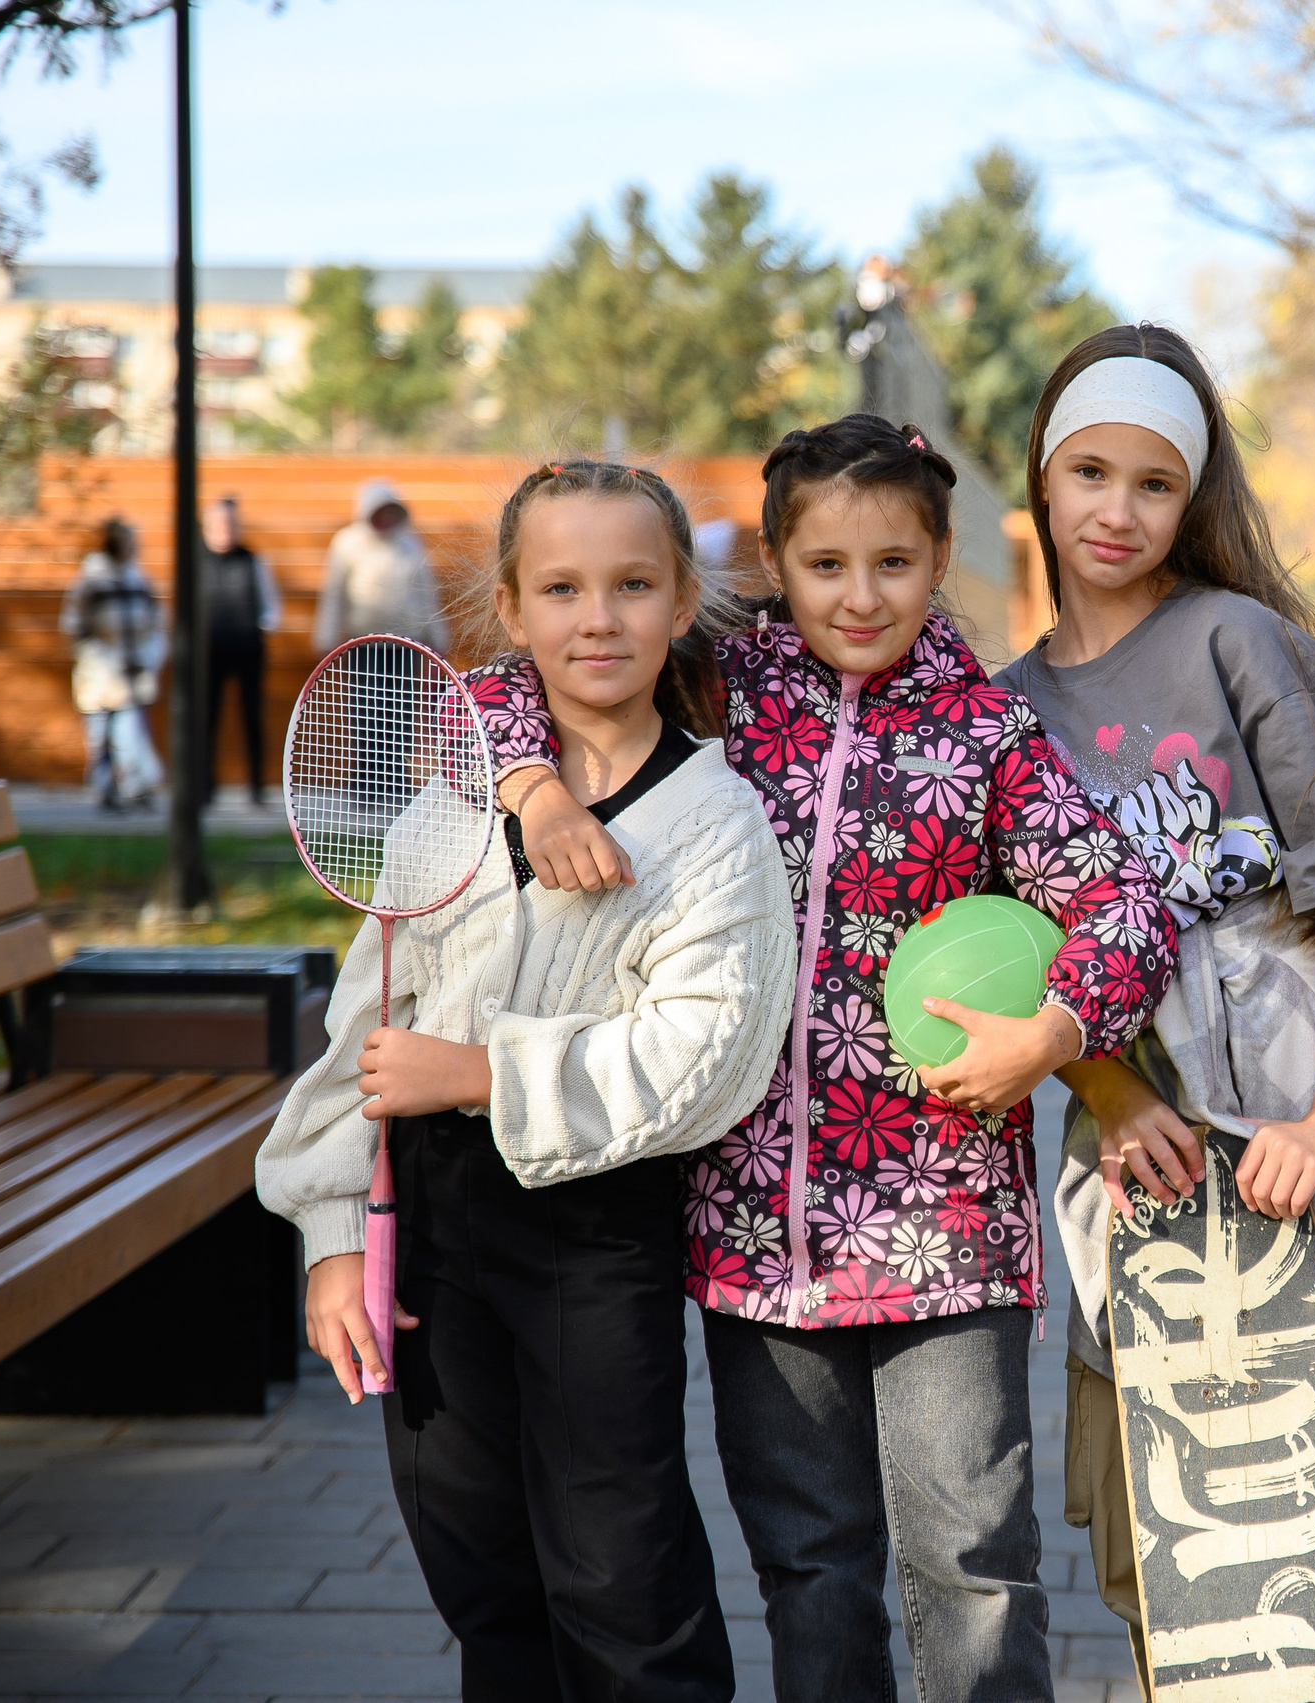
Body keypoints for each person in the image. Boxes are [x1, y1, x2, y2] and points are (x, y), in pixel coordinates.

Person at [476, 423, 1178, 1699]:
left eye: (895, 562)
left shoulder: (990, 735)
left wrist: (1059, 1032)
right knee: (811, 1558)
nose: (862, 596)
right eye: (826, 564)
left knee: (971, 1553)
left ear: (941, 558)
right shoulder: (722, 687)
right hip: (750, 1228)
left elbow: (1127, 905)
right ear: (774, 565)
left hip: (947, 1219)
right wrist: (536, 792)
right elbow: (498, 688)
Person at [995, 325, 1315, 1703]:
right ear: (1041, 481)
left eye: (1154, 483)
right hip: (1152, 1164)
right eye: (1088, 471)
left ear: (1195, 498)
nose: (1117, 509)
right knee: (1193, 1552)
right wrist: (1108, 1096)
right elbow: (1010, 967)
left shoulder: (1241, 643)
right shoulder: (1005, 708)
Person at [256, 460, 798, 1703]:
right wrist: (334, 1231)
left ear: (679, 604)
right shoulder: (449, 805)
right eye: (560, 586)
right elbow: (362, 1027)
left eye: (630, 585)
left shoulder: (716, 825)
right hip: (433, 1234)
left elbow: (700, 1065)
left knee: (621, 1574)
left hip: (591, 1237)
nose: (595, 616)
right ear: (510, 608)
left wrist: (481, 1069)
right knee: (478, 1565)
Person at [59, 518, 167, 810]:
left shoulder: (138, 580)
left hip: (133, 674)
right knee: (100, 734)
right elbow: (74, 628)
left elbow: (156, 625)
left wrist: (149, 655)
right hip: (99, 675)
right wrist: (100, 659)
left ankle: (134, 787)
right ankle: (105, 789)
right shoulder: (90, 582)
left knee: (130, 732)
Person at [199, 494, 280, 806]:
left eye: (229, 524)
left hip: (247, 650)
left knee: (252, 719)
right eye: (218, 524)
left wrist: (257, 628)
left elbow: (271, 606)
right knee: (207, 720)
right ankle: (205, 789)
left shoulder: (252, 560)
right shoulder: (197, 562)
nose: (224, 530)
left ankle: (256, 789)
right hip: (208, 653)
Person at [314, 477, 446, 655]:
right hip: (363, 644)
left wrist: (438, 638)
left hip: (407, 644)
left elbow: (426, 594)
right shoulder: (347, 543)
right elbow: (335, 594)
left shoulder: (410, 544)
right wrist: (325, 638)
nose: (385, 518)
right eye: (379, 512)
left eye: (389, 512)